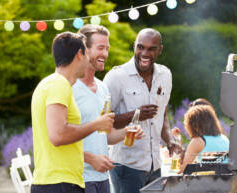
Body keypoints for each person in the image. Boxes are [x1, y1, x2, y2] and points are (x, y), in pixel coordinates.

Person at [31, 32, 114, 193]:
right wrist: (96, 124)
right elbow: (58, 135)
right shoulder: (59, 84)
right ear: (79, 54)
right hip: (59, 184)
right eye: (87, 54)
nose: (88, 60)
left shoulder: (50, 83)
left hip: (57, 182)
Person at [103, 28, 182, 193]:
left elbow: (162, 115)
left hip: (155, 166)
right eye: (140, 47)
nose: (145, 53)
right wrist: (135, 114)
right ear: (134, 47)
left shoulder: (165, 75)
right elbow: (103, 122)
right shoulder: (116, 77)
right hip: (126, 167)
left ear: (160, 49)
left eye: (151, 48)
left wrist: (169, 141)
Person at [72, 25, 144, 193]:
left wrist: (127, 131)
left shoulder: (103, 88)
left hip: (103, 179)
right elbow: (60, 138)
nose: (105, 54)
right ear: (83, 49)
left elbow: (107, 136)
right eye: (100, 48)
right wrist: (90, 159)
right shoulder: (69, 87)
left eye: (107, 48)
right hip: (78, 180)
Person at [178, 105, 230, 173]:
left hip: (205, 182)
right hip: (227, 181)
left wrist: (178, 144)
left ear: (193, 125)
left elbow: (183, 169)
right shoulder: (224, 139)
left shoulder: (198, 141)